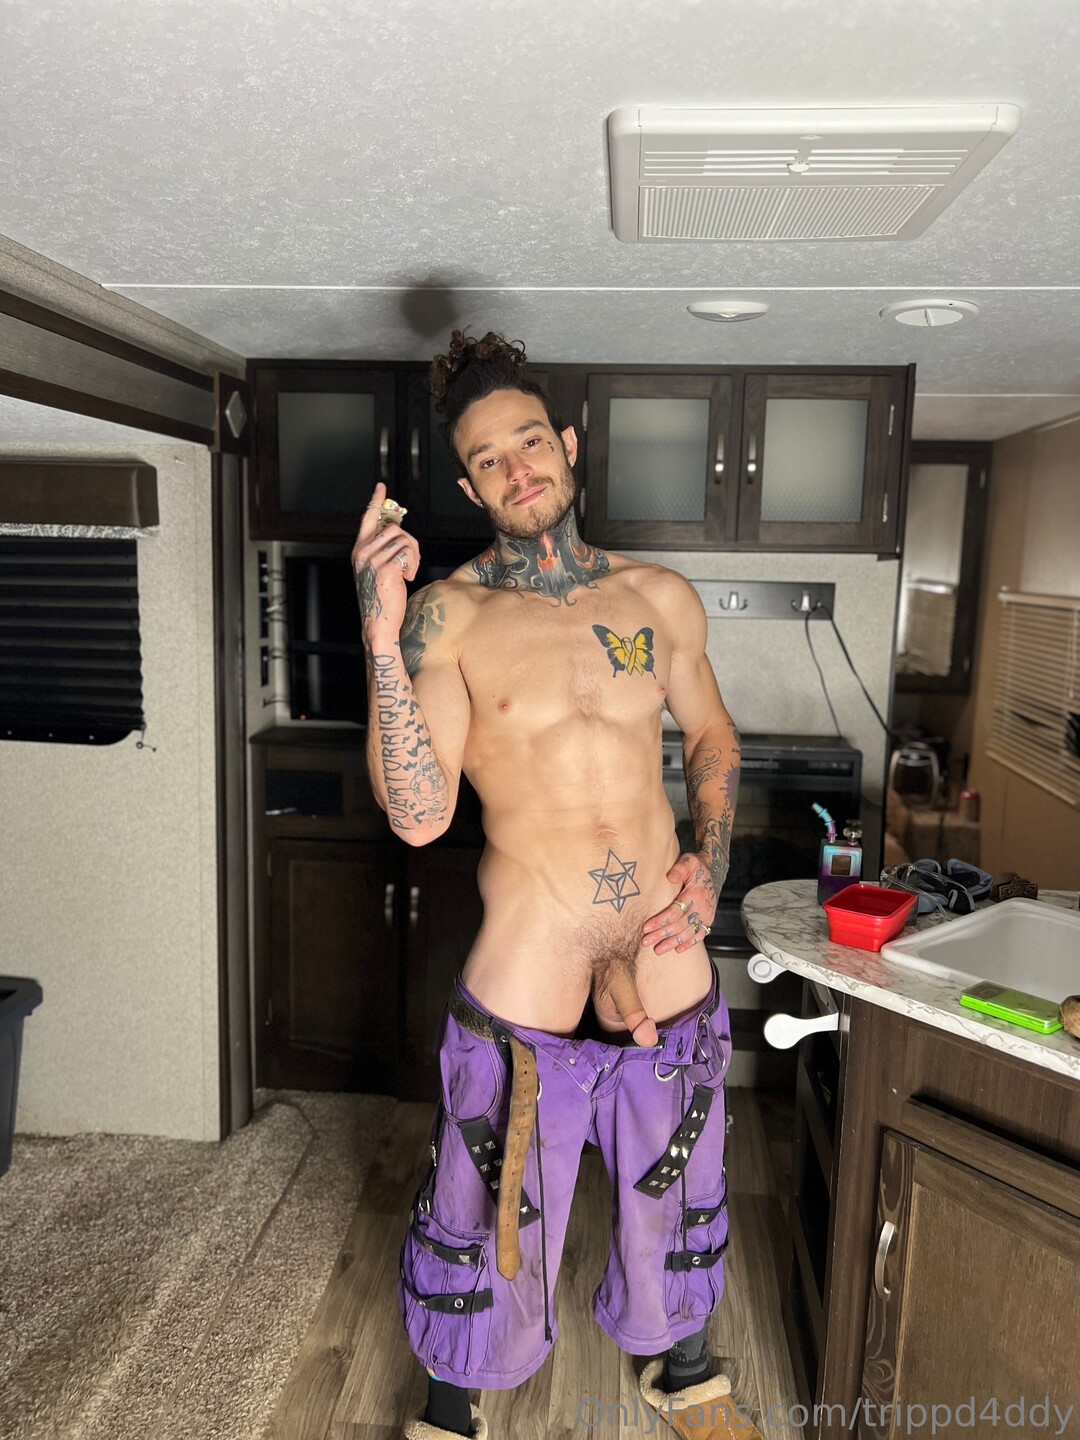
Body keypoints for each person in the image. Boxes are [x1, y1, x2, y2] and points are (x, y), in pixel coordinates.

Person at [352, 332, 752, 1440]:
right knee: (485, 1192)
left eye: (529, 441)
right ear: (470, 487)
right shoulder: (450, 617)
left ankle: (685, 1369)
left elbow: (713, 737)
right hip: (530, 948)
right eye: (487, 459)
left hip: (660, 936)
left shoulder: (658, 599)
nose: (516, 468)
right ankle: (452, 1404)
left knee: (681, 1170)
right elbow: (420, 814)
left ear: (568, 445)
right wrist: (381, 636)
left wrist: (712, 865)